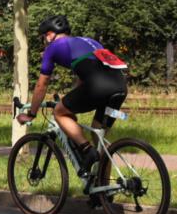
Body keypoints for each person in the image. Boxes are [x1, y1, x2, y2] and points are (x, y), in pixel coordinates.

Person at [16, 15, 128, 175]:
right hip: (120, 86)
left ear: (50, 35)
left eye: (43, 38)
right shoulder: (89, 41)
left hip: (99, 86)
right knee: (99, 137)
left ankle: (87, 151)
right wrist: (69, 102)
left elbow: (42, 85)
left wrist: (31, 114)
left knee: (59, 113)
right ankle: (104, 187)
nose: (44, 42)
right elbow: (85, 79)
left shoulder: (52, 48)